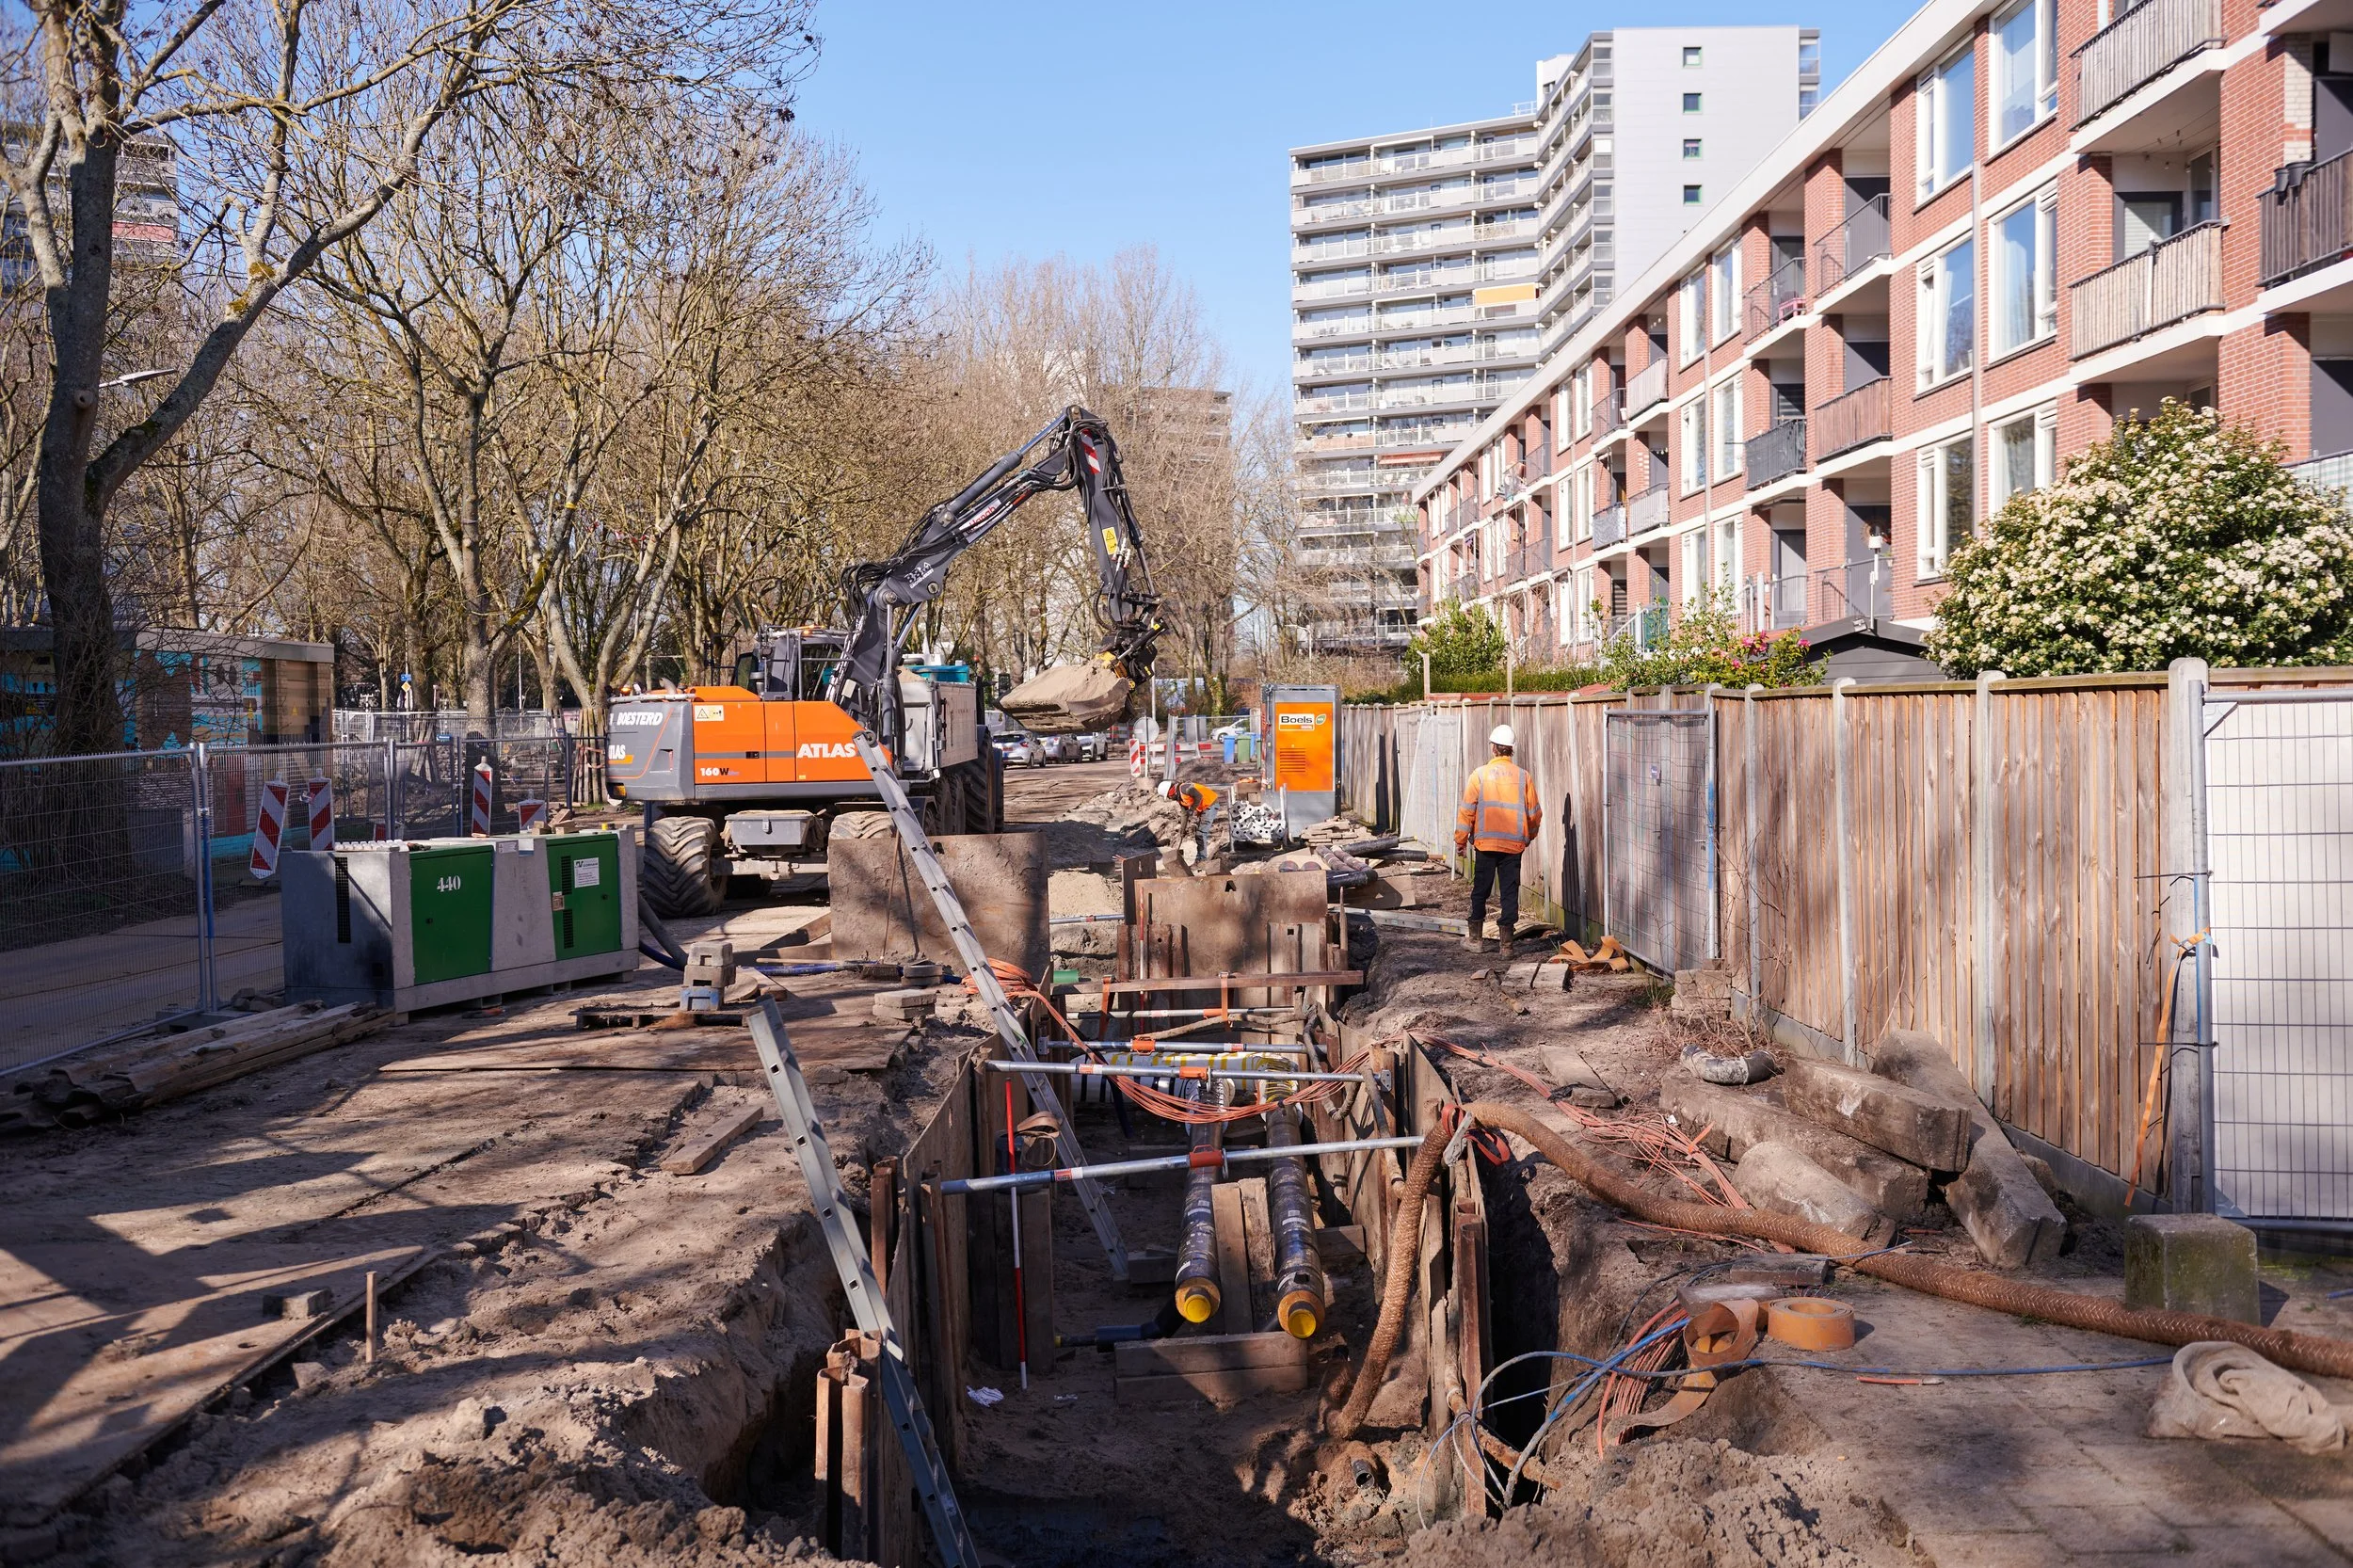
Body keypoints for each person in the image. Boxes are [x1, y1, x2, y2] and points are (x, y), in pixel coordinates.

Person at [1454, 724, 1543, 952]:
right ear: (1511, 749)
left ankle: (1476, 940)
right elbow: (1534, 814)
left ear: (1493, 748)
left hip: (1485, 844)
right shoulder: (1523, 777)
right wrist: (1529, 836)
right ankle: (1507, 946)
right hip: (1513, 846)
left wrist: (1461, 841)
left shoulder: (1479, 775)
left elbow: (1467, 811)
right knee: (1510, 893)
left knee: (1480, 890)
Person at [1160, 777, 1223, 863]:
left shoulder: (1185, 788)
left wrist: (1192, 809)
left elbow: (1199, 796)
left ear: (1171, 792)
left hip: (1210, 804)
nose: (1170, 798)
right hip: (1205, 807)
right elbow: (1184, 815)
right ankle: (1201, 858)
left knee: (1200, 834)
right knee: (1199, 834)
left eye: (1168, 796)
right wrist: (1182, 831)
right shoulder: (1180, 799)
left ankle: (1201, 860)